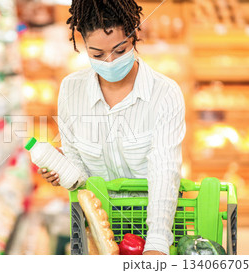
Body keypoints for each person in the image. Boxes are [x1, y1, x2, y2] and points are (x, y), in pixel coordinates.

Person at [37, 0, 186, 255]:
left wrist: (158, 242)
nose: (110, 61)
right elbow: (80, 175)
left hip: (155, 223)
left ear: (134, 36)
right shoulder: (71, 91)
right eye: (97, 54)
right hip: (98, 227)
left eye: (120, 50)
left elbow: (164, 170)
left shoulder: (165, 93)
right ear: (82, 45)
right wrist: (63, 170)